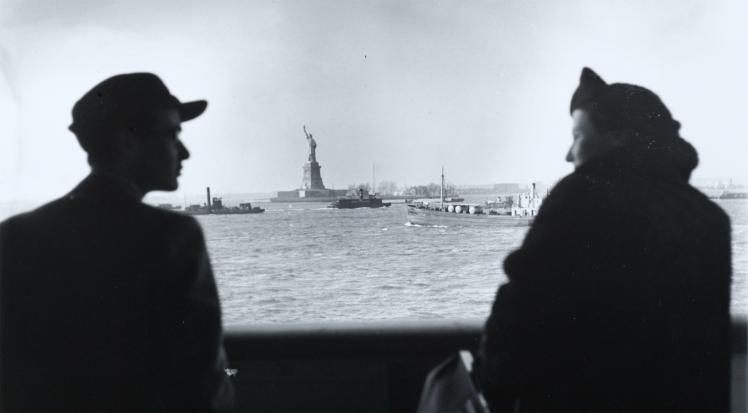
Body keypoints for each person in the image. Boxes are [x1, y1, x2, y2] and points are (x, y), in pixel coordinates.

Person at [473, 68, 732, 412]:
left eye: (578, 134)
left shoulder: (580, 198)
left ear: (616, 138)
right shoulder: (709, 219)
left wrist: (491, 389)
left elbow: (518, 317)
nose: (569, 153)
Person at [0, 73, 234, 411]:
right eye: (171, 135)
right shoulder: (172, 236)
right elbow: (200, 384)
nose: (184, 152)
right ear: (128, 143)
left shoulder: (14, 234)